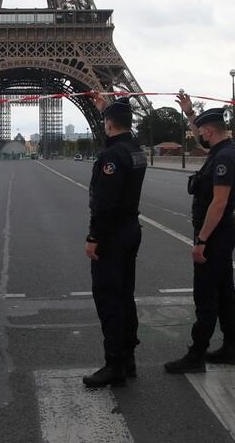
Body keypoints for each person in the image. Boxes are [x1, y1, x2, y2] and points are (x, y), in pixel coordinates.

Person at [165, 97, 235, 374]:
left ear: (209, 131)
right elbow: (202, 142)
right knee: (225, 292)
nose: (199, 135)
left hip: (215, 234)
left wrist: (201, 240)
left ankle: (196, 355)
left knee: (206, 296)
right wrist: (190, 113)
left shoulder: (223, 158)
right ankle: (230, 348)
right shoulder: (227, 150)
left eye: (201, 131)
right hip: (224, 232)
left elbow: (219, 203)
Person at [81, 93, 147, 388]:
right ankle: (128, 357)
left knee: (108, 298)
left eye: (105, 121)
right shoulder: (135, 151)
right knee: (125, 295)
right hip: (131, 228)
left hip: (112, 234)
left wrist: (94, 236)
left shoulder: (111, 156)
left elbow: (104, 203)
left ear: (108, 124)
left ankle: (114, 364)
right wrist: (105, 109)